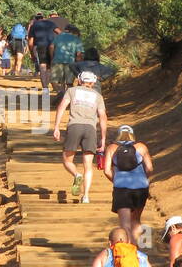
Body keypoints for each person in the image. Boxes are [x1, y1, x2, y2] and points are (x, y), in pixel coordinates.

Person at [52, 71, 107, 203]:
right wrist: (103, 138)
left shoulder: (71, 91)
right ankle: (86, 196)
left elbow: (61, 107)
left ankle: (77, 174)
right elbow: (103, 117)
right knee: (88, 165)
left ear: (79, 80)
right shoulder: (98, 96)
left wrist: (56, 127)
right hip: (90, 129)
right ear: (93, 82)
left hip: (74, 126)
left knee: (67, 160)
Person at [104, 124, 153, 247]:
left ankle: (130, 250)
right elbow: (150, 168)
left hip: (122, 189)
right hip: (141, 188)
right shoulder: (141, 147)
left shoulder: (111, 148)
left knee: (125, 225)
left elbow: (106, 170)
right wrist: (143, 179)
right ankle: (139, 249)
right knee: (136, 220)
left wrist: (116, 180)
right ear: (132, 135)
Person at [48, 24, 83, 92]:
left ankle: (60, 93)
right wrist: (78, 63)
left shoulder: (59, 36)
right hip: (70, 61)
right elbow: (79, 54)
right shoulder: (76, 39)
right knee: (69, 83)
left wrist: (52, 57)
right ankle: (67, 96)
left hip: (57, 60)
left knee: (55, 81)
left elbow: (51, 47)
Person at [28, 11, 58, 90]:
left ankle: (45, 87)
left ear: (35, 19)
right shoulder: (50, 23)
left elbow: (30, 42)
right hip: (52, 46)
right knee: (50, 67)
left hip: (39, 46)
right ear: (43, 17)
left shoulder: (34, 25)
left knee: (42, 66)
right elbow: (60, 33)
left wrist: (32, 53)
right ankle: (47, 84)